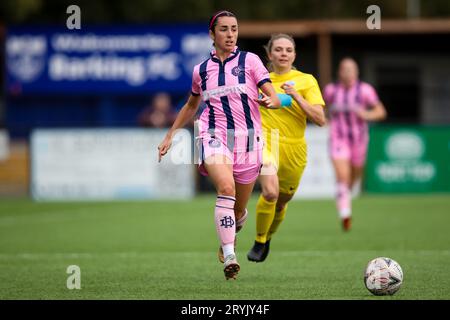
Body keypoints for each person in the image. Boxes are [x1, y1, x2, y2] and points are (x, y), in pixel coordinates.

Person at [157, 10, 281, 280]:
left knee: (237, 210)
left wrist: (274, 99)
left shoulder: (250, 61)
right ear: (212, 34)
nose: (230, 34)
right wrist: (170, 135)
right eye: (224, 29)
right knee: (226, 188)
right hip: (213, 135)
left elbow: (272, 93)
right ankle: (230, 255)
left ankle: (232, 230)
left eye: (234, 29)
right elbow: (192, 105)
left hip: (249, 141)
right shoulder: (200, 70)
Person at [246, 34, 327, 263]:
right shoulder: (260, 80)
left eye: (288, 50)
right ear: (270, 54)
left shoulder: (306, 80)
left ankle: (268, 237)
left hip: (295, 148)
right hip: (266, 142)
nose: (283, 54)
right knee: (270, 192)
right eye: (278, 50)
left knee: (281, 202)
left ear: (294, 55)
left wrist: (296, 97)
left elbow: (320, 119)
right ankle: (259, 240)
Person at [323, 57, 387, 231]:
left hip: (359, 140)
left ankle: (345, 198)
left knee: (353, 178)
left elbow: (381, 112)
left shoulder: (365, 90)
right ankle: (345, 214)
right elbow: (323, 107)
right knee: (342, 176)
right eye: (345, 69)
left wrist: (366, 115)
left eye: (352, 69)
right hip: (338, 138)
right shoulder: (331, 90)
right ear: (339, 72)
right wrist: (324, 119)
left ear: (357, 72)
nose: (348, 72)